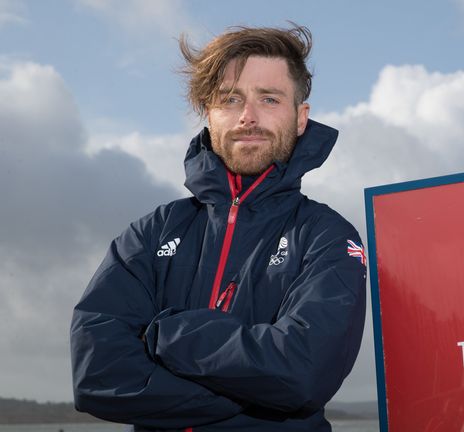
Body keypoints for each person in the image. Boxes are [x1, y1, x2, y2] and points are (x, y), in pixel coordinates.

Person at [70, 24, 367, 431]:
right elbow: (97, 376)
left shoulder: (327, 235)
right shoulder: (150, 234)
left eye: (269, 98)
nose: (249, 116)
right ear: (209, 115)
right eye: (231, 99)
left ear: (300, 118)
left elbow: (303, 373)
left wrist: (166, 335)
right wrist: (252, 396)